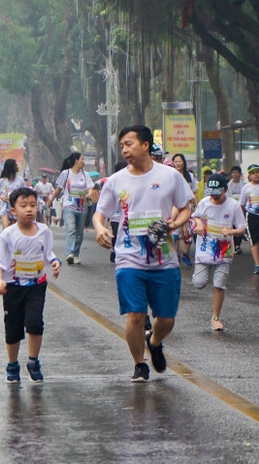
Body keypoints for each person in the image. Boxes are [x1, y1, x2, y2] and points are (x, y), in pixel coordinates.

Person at [94, 125, 195, 382]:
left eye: (129, 144)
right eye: (122, 146)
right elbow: (100, 212)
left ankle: (156, 341)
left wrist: (175, 223)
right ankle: (139, 363)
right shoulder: (116, 180)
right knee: (135, 314)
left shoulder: (170, 176)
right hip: (129, 257)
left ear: (146, 145)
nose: (125, 150)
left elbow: (185, 208)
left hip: (164, 257)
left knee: (166, 319)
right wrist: (99, 228)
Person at [0, 187, 61, 384]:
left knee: (34, 322)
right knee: (13, 328)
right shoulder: (8, 235)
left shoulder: (44, 231)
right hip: (13, 286)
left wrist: (55, 262)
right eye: (23, 206)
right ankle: (12, 364)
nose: (29, 209)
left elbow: (48, 254)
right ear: (13, 210)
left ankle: (33, 361)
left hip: (36, 285)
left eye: (33, 205)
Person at [191, 173, 247, 331]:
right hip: (205, 250)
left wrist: (231, 232)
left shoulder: (233, 205)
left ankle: (216, 317)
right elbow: (195, 217)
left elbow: (242, 227)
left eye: (218, 193)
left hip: (224, 252)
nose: (214, 196)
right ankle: (203, 277)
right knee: (199, 283)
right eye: (212, 193)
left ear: (225, 190)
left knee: (219, 284)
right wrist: (198, 224)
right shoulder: (204, 203)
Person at [51, 152, 96, 265]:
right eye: (82, 159)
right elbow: (58, 189)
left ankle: (76, 254)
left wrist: (90, 193)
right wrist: (50, 200)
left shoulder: (85, 175)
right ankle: (69, 253)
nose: (83, 161)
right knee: (71, 228)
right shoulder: (65, 174)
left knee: (79, 233)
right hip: (68, 206)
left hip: (82, 208)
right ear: (76, 160)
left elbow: (90, 188)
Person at [239, 164, 259, 275]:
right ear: (249, 176)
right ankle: (257, 264)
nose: (256, 175)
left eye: (258, 172)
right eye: (253, 173)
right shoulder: (246, 188)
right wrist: (240, 220)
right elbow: (241, 205)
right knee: (254, 241)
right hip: (252, 216)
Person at [0, 158, 27, 230]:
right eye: (16, 165)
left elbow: (25, 191)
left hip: (16, 206)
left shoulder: (20, 180)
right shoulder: (2, 180)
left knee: (13, 229)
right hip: (5, 206)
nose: (17, 167)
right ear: (11, 167)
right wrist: (1, 197)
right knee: (6, 228)